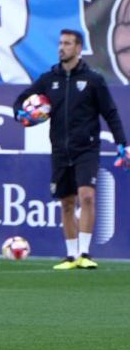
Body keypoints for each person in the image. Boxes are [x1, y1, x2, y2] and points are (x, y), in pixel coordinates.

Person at [14, 29, 129, 270]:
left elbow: (110, 113)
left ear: (78, 48)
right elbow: (22, 99)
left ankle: (85, 253)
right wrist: (22, 114)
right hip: (59, 150)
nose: (61, 47)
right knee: (66, 203)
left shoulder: (93, 80)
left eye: (67, 43)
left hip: (86, 149)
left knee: (87, 196)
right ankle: (70, 256)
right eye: (60, 43)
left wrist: (122, 144)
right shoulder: (49, 80)